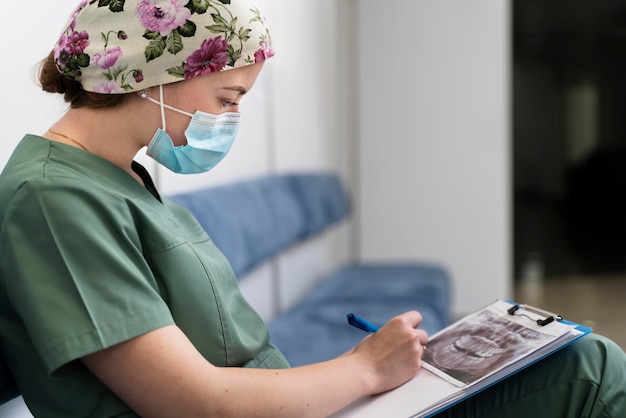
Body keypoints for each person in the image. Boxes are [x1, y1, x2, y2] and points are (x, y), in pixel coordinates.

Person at [0, 1, 623, 417]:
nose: (232, 117)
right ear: (151, 73)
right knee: (590, 373)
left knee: (572, 357)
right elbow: (188, 402)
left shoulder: (116, 177)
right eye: (227, 97)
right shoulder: (54, 197)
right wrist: (363, 370)